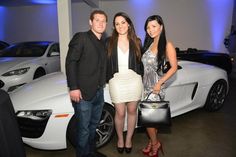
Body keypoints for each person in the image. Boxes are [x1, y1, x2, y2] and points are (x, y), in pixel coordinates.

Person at [65, 10, 108, 157]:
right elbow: (71, 62)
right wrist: (73, 87)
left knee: (93, 126)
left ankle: (90, 152)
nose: (101, 23)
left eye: (103, 21)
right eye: (97, 20)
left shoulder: (103, 43)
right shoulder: (81, 37)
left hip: (98, 92)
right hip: (82, 93)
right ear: (90, 22)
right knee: (83, 129)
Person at [106, 12, 143, 154]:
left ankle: (129, 139)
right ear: (114, 27)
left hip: (134, 80)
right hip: (116, 80)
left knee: (132, 111)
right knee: (120, 112)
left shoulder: (137, 41)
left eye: (123, 22)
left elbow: (142, 63)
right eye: (117, 23)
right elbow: (103, 62)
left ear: (128, 24)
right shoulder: (109, 42)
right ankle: (120, 139)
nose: (120, 26)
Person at [141, 15, 178, 157]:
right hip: (145, 86)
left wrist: (159, 83)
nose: (150, 30)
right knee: (153, 118)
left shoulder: (167, 45)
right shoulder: (149, 44)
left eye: (154, 26)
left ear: (161, 27)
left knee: (149, 120)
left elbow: (174, 67)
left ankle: (155, 144)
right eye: (148, 27)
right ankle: (152, 141)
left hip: (156, 88)